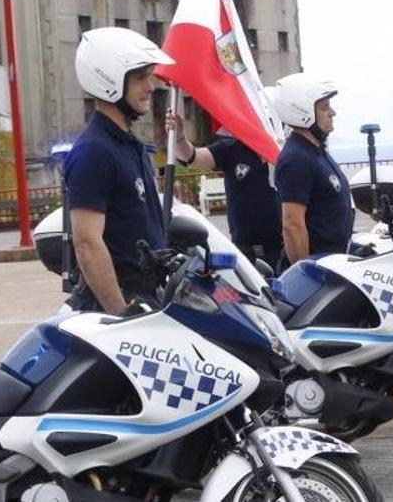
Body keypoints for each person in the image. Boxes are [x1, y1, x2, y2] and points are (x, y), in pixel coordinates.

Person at [63, 27, 174, 314]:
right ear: (108, 81)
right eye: (139, 78)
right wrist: (122, 315)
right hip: (115, 308)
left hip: (146, 298)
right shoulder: (94, 152)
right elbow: (87, 243)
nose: (149, 86)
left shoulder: (129, 146)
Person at [170, 113, 283, 269]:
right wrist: (179, 137)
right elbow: (192, 157)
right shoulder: (231, 148)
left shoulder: (284, 154)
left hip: (281, 249)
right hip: (245, 252)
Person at [272, 73, 352, 266]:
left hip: (336, 262)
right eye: (324, 107)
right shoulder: (296, 159)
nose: (332, 112)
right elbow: (292, 225)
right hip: (319, 270)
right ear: (303, 113)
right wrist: (306, 273)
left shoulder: (316, 151)